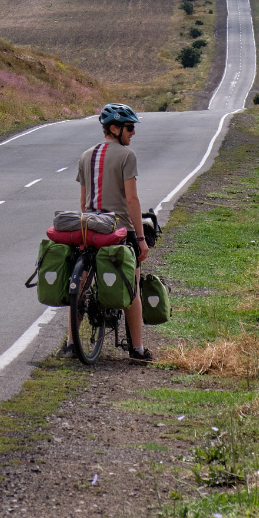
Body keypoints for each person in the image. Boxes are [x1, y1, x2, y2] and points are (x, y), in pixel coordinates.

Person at [74, 102, 153, 362]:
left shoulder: (86, 155)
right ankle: (138, 349)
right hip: (119, 229)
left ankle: (70, 342)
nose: (133, 133)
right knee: (133, 287)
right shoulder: (127, 156)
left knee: (82, 283)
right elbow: (132, 200)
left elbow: (84, 201)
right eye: (130, 128)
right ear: (115, 128)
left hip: (90, 227)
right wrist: (140, 238)